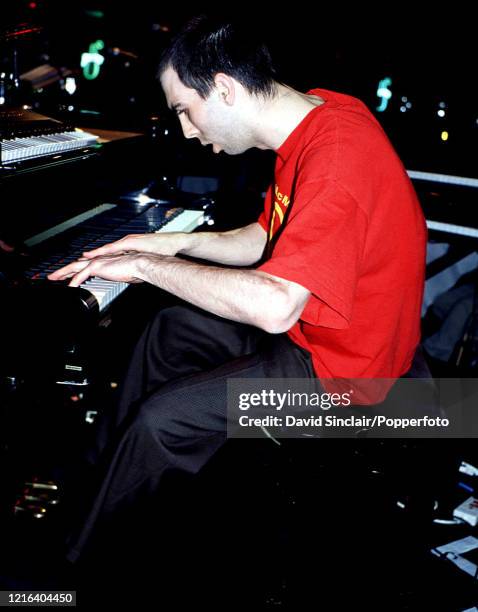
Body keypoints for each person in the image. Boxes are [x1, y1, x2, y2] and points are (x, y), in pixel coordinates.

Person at [48, 15, 429, 561]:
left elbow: (275, 305)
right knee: (170, 331)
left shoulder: (337, 160)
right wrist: (168, 246)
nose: (185, 129)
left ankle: (75, 571)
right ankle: (97, 475)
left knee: (164, 421)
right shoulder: (322, 115)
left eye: (184, 109)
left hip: (346, 381)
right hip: (317, 341)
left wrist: (144, 269)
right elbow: (261, 237)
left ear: (223, 88)